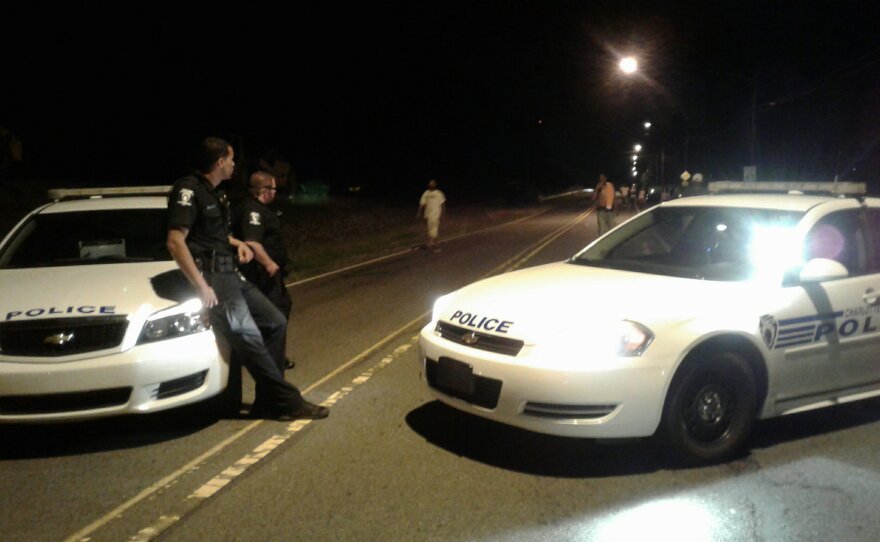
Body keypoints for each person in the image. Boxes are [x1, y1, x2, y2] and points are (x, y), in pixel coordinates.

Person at [166, 137, 328, 421]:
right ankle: (286, 401)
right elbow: (176, 241)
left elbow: (210, 235)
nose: (233, 165)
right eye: (230, 159)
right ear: (219, 162)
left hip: (230, 271)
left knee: (275, 321)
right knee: (248, 335)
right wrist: (201, 286)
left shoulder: (215, 193)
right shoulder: (187, 190)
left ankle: (268, 401)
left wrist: (236, 242)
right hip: (213, 276)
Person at [236, 171, 295, 370]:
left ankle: (274, 353)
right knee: (273, 316)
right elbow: (252, 241)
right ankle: (268, 359)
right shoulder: (253, 211)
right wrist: (269, 263)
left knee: (283, 305)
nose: (276, 193)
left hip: (271, 274)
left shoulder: (262, 209)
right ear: (264, 190)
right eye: (274, 188)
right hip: (262, 274)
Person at [417, 179, 446, 252]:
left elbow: (442, 204)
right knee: (430, 229)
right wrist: (419, 212)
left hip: (436, 214)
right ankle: (434, 243)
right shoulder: (426, 193)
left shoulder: (439, 193)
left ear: (435, 185)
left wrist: (443, 214)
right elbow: (422, 203)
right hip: (428, 214)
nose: (431, 185)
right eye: (430, 183)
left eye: (433, 183)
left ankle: (433, 244)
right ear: (428, 185)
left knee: (434, 229)